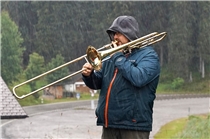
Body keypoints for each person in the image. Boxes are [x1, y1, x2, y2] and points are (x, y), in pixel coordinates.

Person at [82, 15, 160, 139]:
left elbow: (138, 78)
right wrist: (89, 75)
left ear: (130, 34)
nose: (115, 37)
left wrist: (118, 57)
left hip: (134, 126)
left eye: (119, 33)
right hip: (109, 125)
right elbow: (98, 84)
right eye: (113, 34)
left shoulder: (149, 56)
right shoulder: (113, 56)